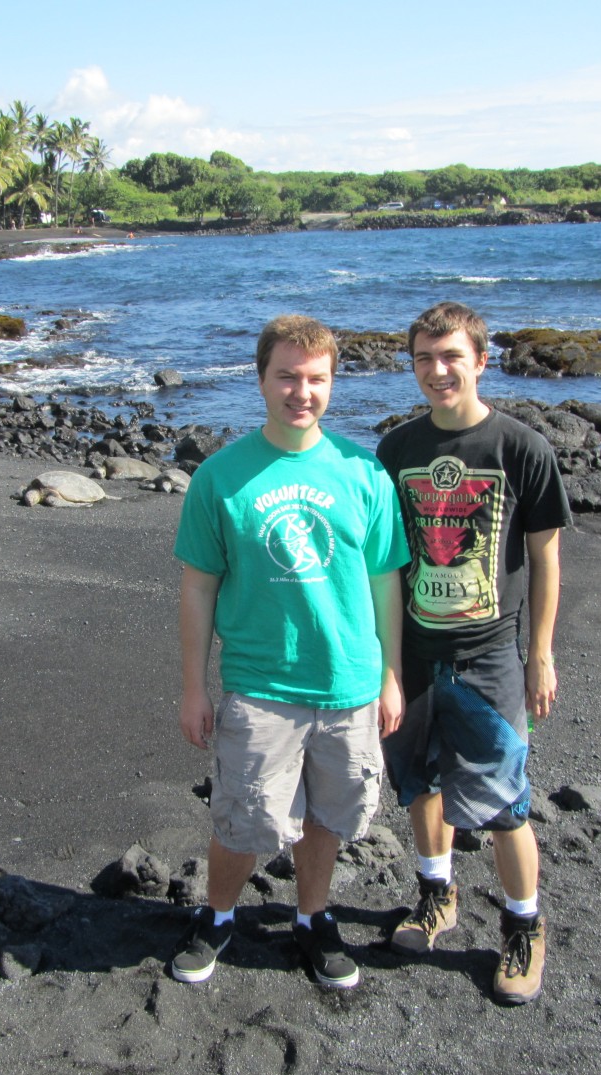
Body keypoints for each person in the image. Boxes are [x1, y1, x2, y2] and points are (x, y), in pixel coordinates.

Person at [172, 314, 409, 989]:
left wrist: (392, 675)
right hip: (260, 685)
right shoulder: (221, 479)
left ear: (331, 384)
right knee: (244, 818)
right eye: (287, 376)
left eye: (315, 379)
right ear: (261, 380)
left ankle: (313, 918)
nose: (301, 391)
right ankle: (217, 916)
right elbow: (197, 589)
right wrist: (194, 688)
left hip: (349, 685)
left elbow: (386, 581)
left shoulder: (364, 474)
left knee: (329, 816)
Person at [375, 302, 570, 1006]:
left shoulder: (521, 448)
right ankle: (436, 894)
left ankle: (524, 927)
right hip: (417, 653)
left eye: (451, 356)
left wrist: (540, 655)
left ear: (481, 361)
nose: (437, 370)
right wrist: (387, 665)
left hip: (491, 657)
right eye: (424, 358)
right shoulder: (396, 450)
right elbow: (385, 565)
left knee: (506, 803)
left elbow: (547, 561)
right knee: (421, 782)